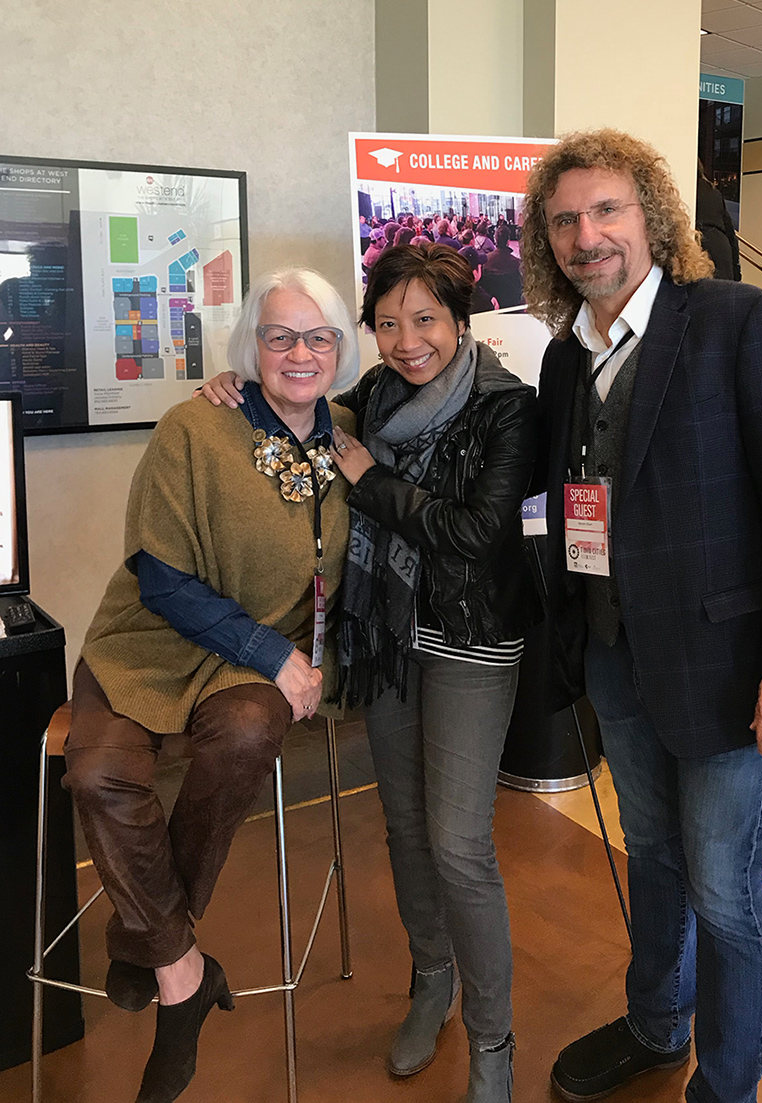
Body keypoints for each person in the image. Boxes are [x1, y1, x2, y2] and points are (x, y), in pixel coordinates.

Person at [521, 130, 762, 1103]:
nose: (587, 236)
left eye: (606, 210)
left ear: (653, 218)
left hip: (729, 669)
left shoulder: (742, 322)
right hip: (616, 656)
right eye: (565, 220)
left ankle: (727, 1085)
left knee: (724, 888)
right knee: (653, 858)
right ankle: (657, 1023)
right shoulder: (563, 360)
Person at [199, 243, 538, 1103]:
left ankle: (493, 1039)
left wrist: (372, 480)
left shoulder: (506, 405)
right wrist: (237, 388)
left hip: (470, 639)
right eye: (387, 323)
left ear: (461, 319)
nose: (407, 340)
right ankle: (433, 978)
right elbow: (295, 409)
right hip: (386, 635)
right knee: (405, 829)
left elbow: (474, 534)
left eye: (425, 319)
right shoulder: (375, 396)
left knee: (459, 844)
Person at [63, 267, 359, 1103]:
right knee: (97, 772)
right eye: (279, 336)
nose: (299, 353)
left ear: (341, 348)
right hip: (150, 643)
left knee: (247, 732)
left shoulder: (350, 434)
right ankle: (182, 971)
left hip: (246, 666)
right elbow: (159, 577)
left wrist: (286, 656)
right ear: (249, 346)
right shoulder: (193, 426)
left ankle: (146, 937)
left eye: (319, 337)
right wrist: (272, 651)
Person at [696, 159, 741, 281]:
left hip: (702, 247)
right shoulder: (713, 191)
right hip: (722, 247)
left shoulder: (687, 190)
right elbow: (730, 232)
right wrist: (736, 271)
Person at [481, 226, 524, 309]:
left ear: (495, 240)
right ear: (508, 242)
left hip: (491, 306)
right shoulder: (517, 263)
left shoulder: (485, 261)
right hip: (513, 305)